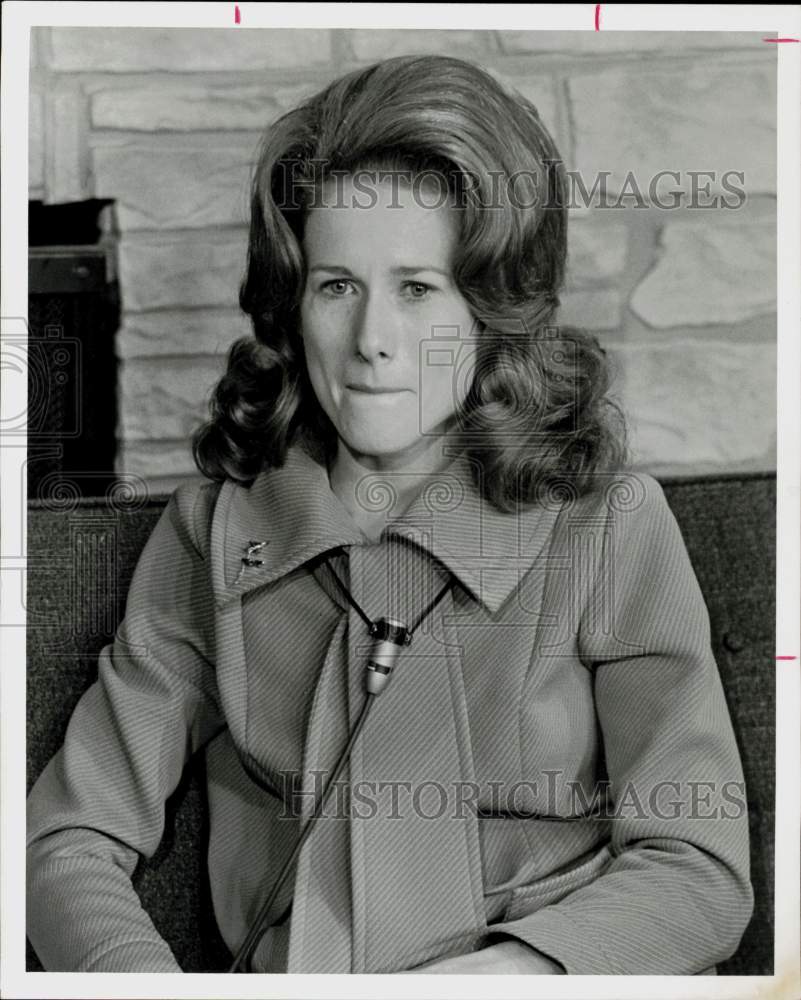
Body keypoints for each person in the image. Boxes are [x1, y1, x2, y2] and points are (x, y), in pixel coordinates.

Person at [26, 53, 753, 975]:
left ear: (491, 309)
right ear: (293, 305)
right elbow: (69, 837)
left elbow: (698, 868)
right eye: (337, 286)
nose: (372, 341)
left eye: (418, 288)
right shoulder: (214, 533)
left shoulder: (606, 527)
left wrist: (508, 979)